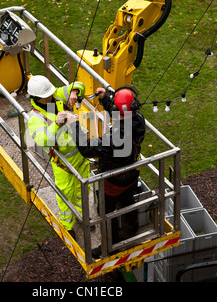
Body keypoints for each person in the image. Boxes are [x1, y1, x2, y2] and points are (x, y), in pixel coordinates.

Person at [65, 85, 146, 257]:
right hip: (131, 173)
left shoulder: (114, 137)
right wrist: (106, 100)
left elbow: (87, 149)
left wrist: (73, 125)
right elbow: (122, 113)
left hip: (113, 181)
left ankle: (111, 245)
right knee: (127, 201)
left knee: (106, 213)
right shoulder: (138, 120)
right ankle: (131, 227)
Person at [27, 75, 89, 239]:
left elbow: (79, 84)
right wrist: (57, 124)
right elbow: (43, 140)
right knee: (65, 194)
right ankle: (67, 226)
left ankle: (83, 216)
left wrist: (75, 91)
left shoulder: (57, 95)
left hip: (81, 154)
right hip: (63, 162)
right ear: (37, 97)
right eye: (46, 94)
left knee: (83, 189)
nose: (50, 95)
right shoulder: (35, 118)